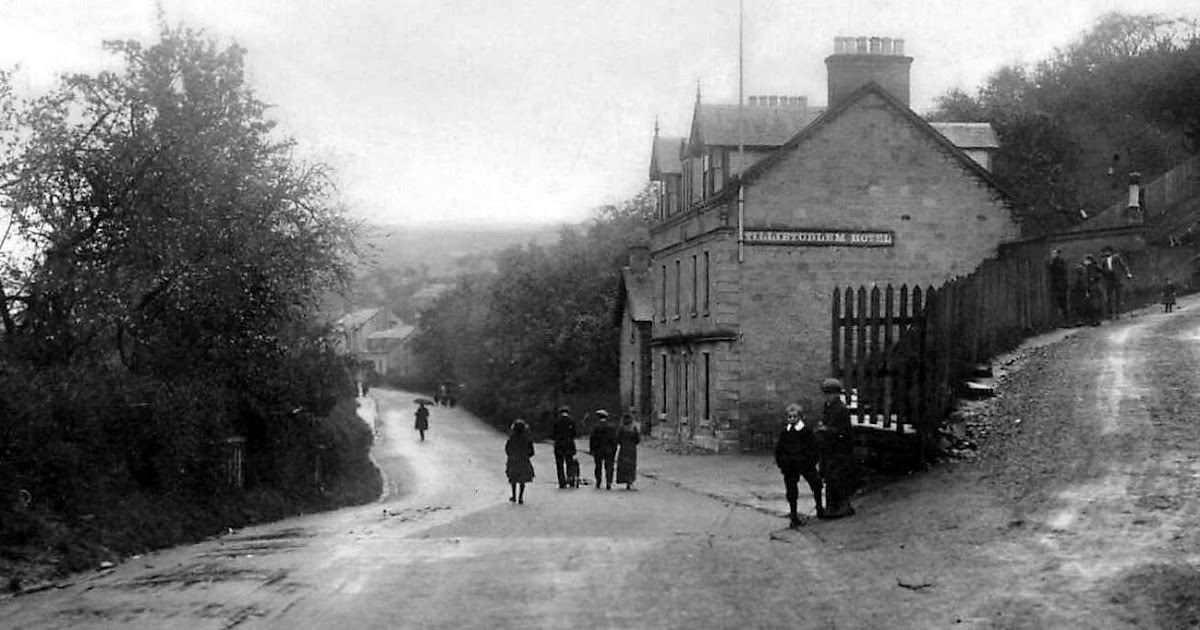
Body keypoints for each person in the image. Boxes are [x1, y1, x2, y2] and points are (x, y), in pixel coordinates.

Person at [775, 402, 823, 527]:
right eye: (789, 417)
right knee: (791, 491)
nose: (792, 419)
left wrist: (811, 461)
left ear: (800, 417)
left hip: (805, 464)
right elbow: (779, 450)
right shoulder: (785, 433)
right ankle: (794, 515)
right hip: (790, 466)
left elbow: (814, 448)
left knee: (816, 484)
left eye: (794, 416)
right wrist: (782, 464)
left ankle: (819, 508)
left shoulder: (806, 432)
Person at [817, 378, 856, 519]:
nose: (827, 396)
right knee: (829, 478)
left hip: (840, 450)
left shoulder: (841, 409)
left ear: (837, 394)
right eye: (826, 394)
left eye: (830, 394)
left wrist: (826, 429)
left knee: (838, 479)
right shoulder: (828, 407)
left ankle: (843, 507)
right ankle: (832, 508)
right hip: (830, 449)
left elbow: (843, 431)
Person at [1099, 246, 1134, 320]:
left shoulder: (1116, 258)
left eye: (1108, 251)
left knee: (1118, 296)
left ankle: (1118, 313)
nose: (1107, 253)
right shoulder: (1103, 260)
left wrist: (1128, 273)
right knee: (1109, 297)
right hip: (1108, 279)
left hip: (1116, 278)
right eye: (1105, 252)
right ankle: (1110, 313)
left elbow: (1123, 266)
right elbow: (1102, 270)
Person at [505, 419, 535, 504]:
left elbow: (507, 449)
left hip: (513, 461)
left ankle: (514, 496)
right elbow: (531, 452)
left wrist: (511, 456)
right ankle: (521, 497)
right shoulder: (527, 439)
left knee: (513, 479)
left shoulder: (511, 439)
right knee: (522, 480)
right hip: (524, 460)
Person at [588, 409, 619, 490]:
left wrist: (591, 450)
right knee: (609, 466)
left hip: (598, 450)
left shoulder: (596, 427)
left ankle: (598, 481)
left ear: (598, 417)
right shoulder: (611, 427)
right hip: (609, 450)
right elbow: (614, 439)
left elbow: (592, 439)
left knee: (598, 466)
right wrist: (614, 449)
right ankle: (609, 482)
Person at [551, 406, 577, 489]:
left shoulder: (557, 422)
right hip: (569, 445)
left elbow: (553, 434)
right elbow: (575, 433)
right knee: (569, 463)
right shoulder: (572, 421)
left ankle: (562, 482)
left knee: (560, 464)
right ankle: (571, 479)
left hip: (559, 445)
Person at [615, 413, 641, 490]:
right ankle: (630, 481)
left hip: (623, 448)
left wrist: (622, 443)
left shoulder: (621, 428)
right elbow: (637, 440)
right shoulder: (633, 429)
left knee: (623, 465)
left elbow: (618, 438)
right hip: (632, 449)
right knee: (631, 465)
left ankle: (625, 479)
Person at [1047, 249, 1069, 326]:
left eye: (1054, 253)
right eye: (1052, 253)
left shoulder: (1058, 263)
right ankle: (1061, 320)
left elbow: (1060, 274)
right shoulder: (1055, 263)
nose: (1053, 255)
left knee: (1062, 303)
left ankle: (1064, 320)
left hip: (1060, 286)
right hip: (1058, 286)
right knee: (1060, 304)